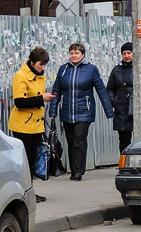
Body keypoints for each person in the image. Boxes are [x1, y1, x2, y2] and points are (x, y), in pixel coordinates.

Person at [47, 43, 113, 181]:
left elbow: (101, 90)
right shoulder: (63, 70)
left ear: (83, 54)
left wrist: (109, 111)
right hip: (67, 111)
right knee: (70, 140)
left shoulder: (91, 69)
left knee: (79, 139)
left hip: (84, 111)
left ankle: (78, 171)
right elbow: (56, 91)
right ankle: (73, 169)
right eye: (72, 53)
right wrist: (53, 111)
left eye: (76, 53)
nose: (74, 56)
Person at [9, 47, 54, 201]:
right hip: (23, 126)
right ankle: (24, 194)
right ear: (32, 62)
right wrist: (42, 99)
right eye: (40, 64)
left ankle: (30, 192)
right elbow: (19, 102)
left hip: (35, 125)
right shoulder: (21, 77)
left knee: (33, 161)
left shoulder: (39, 76)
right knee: (25, 162)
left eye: (44, 65)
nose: (42, 68)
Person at [106, 42, 135, 152]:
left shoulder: (139, 68)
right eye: (124, 53)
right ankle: (124, 162)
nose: (126, 56)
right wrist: (115, 102)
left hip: (136, 107)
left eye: (129, 53)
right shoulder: (117, 70)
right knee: (124, 139)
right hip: (121, 109)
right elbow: (109, 88)